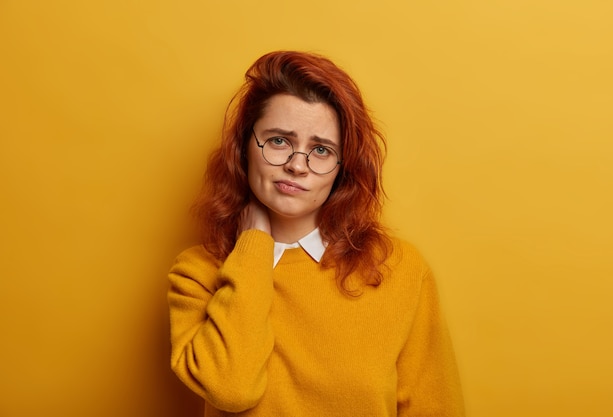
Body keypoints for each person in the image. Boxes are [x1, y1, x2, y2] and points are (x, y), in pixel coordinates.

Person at [167, 50, 465, 416]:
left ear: (343, 167)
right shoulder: (197, 272)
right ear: (244, 147)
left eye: (321, 150)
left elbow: (435, 408)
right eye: (278, 141)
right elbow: (232, 390)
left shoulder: (398, 268)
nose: (296, 165)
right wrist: (254, 244)